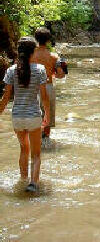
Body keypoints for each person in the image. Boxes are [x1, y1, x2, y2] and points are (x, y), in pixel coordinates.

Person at [0, 37, 50, 193]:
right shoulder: (40, 70)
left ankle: (23, 180)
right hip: (34, 116)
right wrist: (47, 114)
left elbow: (6, 97)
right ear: (33, 51)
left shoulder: (11, 70)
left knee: (23, 149)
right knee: (36, 154)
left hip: (17, 117)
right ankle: (33, 184)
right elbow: (44, 96)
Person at [31, 28, 66, 144]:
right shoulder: (53, 56)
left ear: (36, 39)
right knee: (47, 114)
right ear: (48, 41)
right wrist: (53, 73)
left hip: (32, 88)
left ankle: (34, 139)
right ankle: (46, 140)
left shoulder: (29, 55)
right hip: (48, 86)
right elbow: (61, 75)